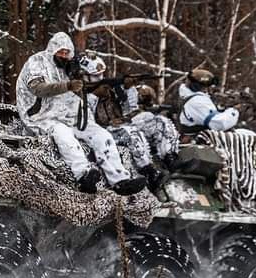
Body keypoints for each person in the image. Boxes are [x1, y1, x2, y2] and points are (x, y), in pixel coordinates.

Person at [15, 32, 145, 195]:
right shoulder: (37, 62)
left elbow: (86, 86)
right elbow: (38, 89)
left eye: (66, 53)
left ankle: (119, 180)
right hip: (40, 116)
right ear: (52, 49)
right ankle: (84, 175)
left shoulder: (67, 68)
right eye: (60, 52)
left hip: (66, 115)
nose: (63, 55)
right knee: (64, 134)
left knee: (101, 135)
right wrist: (67, 86)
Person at [81, 55, 166, 192]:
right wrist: (95, 95)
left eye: (102, 74)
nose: (100, 78)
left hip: (119, 125)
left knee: (158, 121)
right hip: (99, 132)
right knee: (130, 133)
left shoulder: (109, 89)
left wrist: (128, 88)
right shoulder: (80, 93)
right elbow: (86, 121)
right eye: (96, 76)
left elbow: (127, 109)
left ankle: (169, 159)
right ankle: (148, 171)